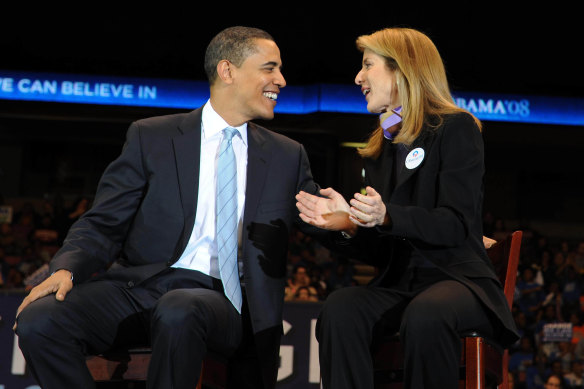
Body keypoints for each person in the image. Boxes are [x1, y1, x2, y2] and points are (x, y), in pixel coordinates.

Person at [14, 26, 320, 389]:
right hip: (143, 287)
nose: (281, 80)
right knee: (40, 320)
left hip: (223, 301)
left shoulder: (287, 155)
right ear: (228, 71)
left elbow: (320, 219)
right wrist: (66, 269)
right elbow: (103, 223)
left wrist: (346, 222)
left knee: (181, 308)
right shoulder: (151, 136)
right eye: (270, 68)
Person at [295, 27, 519, 389]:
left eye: (368, 65)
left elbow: (456, 224)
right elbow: (385, 249)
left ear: (402, 69)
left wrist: (387, 215)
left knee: (427, 313)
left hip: (458, 283)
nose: (358, 77)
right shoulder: (382, 147)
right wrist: (350, 226)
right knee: (341, 307)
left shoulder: (456, 128)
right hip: (403, 285)